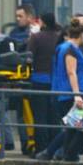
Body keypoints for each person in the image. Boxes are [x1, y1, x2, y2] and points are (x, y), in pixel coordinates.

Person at [36, 20, 83, 162]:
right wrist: (77, 95)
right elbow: (71, 72)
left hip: (66, 92)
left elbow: (77, 73)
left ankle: (63, 153)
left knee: (73, 127)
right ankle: (58, 152)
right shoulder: (71, 49)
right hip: (69, 93)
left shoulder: (63, 47)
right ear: (82, 35)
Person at [26, 12, 64, 152]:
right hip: (56, 82)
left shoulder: (36, 37)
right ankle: (53, 148)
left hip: (39, 80)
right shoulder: (60, 38)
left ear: (42, 22)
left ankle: (40, 148)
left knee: (40, 116)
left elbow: (29, 58)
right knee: (54, 116)